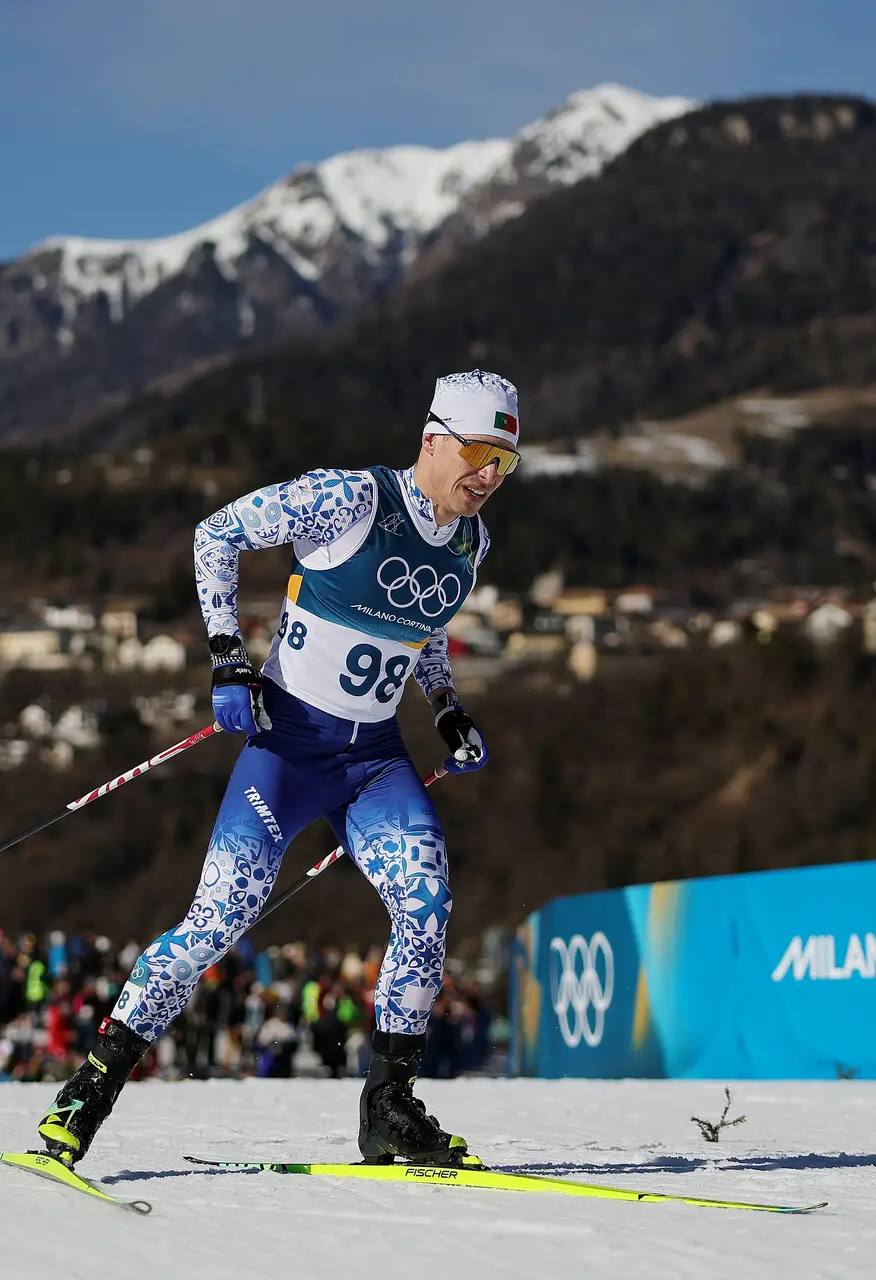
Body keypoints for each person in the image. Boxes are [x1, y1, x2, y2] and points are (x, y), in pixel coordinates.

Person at [36, 369, 521, 1169]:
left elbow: (424, 631)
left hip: (374, 760)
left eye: (505, 463)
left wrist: (445, 709)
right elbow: (215, 533)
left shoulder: (474, 542)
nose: (488, 476)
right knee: (217, 923)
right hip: (288, 748)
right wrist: (227, 657)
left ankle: (389, 1110)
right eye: (477, 452)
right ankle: (89, 1089)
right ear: (433, 437)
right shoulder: (351, 500)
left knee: (428, 908)